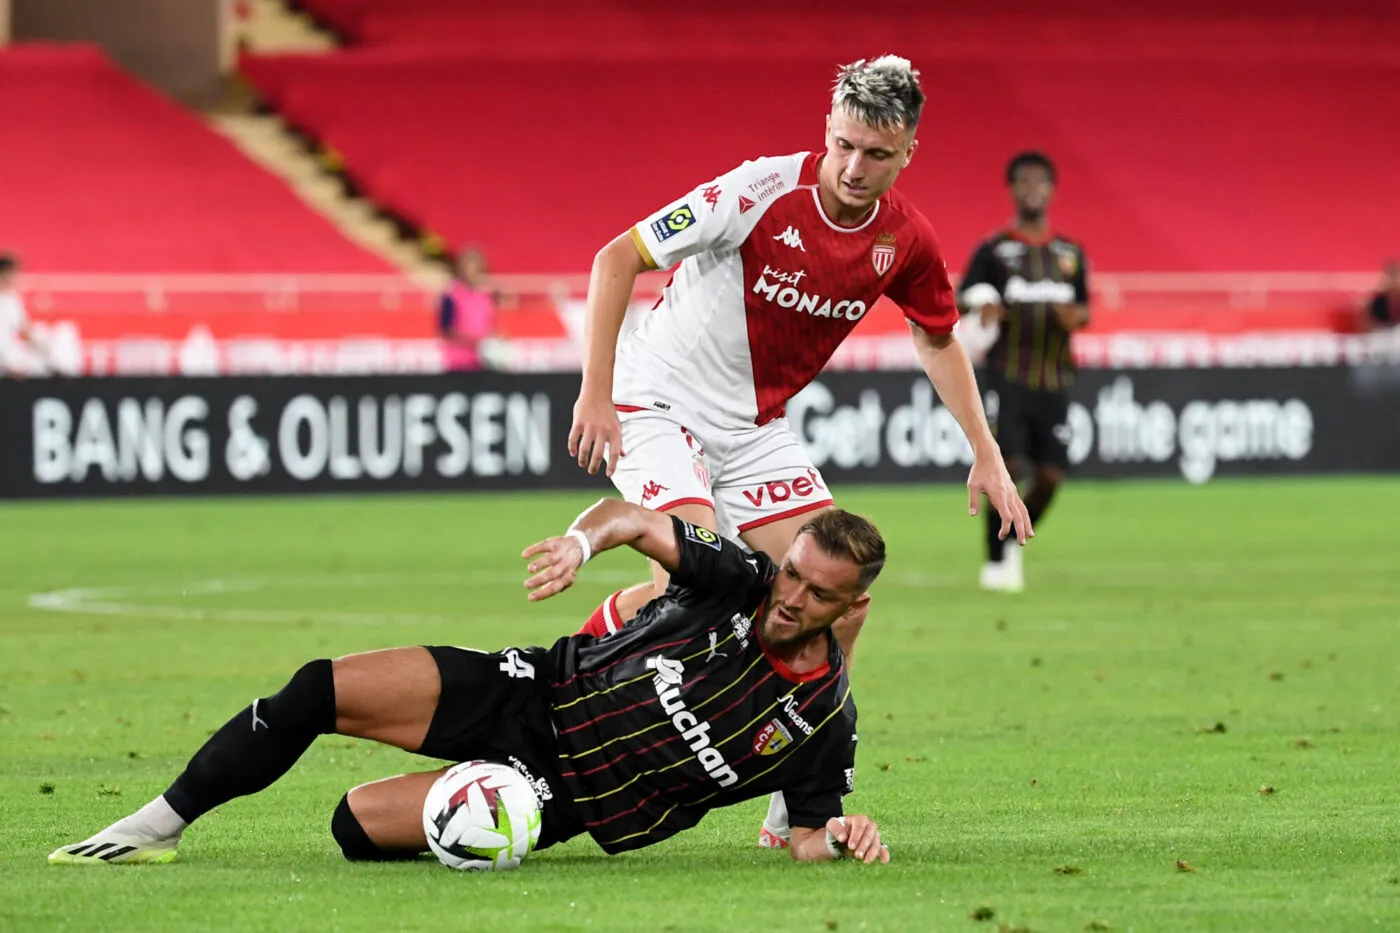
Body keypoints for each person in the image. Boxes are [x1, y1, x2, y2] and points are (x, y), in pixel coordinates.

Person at [564, 55, 1031, 847]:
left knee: (842, 600)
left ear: (908, 151)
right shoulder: (756, 192)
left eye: (876, 154)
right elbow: (619, 257)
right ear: (826, 133)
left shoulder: (903, 238)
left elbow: (937, 337)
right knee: (695, 590)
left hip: (753, 430)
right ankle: (560, 684)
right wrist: (597, 392)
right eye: (844, 145)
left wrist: (983, 449)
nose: (854, 167)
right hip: (657, 403)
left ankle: (795, 807)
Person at [49, 501, 890, 867]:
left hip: (558, 795)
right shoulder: (738, 577)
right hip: (532, 688)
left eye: (817, 593)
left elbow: (809, 833)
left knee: (353, 828)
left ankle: (455, 806)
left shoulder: (822, 723)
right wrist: (579, 544)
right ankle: (156, 825)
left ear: (853, 605)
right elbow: (631, 517)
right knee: (316, 687)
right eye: (791, 573)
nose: (789, 597)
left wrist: (846, 840)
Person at [958, 151, 1090, 593]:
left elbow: (1084, 308)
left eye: (1040, 182)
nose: (1032, 189)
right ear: (1012, 189)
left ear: (1052, 190)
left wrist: (1076, 316)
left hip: (1054, 383)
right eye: (1023, 182)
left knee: (1051, 477)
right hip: (1006, 381)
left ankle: (1014, 537)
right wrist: (982, 305)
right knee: (1006, 467)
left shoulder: (1070, 254)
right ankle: (996, 560)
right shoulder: (994, 251)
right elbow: (961, 299)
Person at [437, 245, 499, 370]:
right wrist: (472, 340)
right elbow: (445, 330)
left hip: (483, 360)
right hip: (458, 361)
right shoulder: (451, 294)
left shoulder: (486, 295)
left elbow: (490, 325)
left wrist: (494, 340)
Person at [0, 253, 54, 377]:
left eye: (13, 275)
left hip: (11, 358)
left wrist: (44, 350)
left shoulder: (12, 299)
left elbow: (25, 329)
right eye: (7, 275)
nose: (12, 279)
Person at [1367, 259, 1399, 330]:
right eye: (1390, 276)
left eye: (1394, 276)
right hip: (1383, 330)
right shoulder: (1379, 301)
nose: (1392, 281)